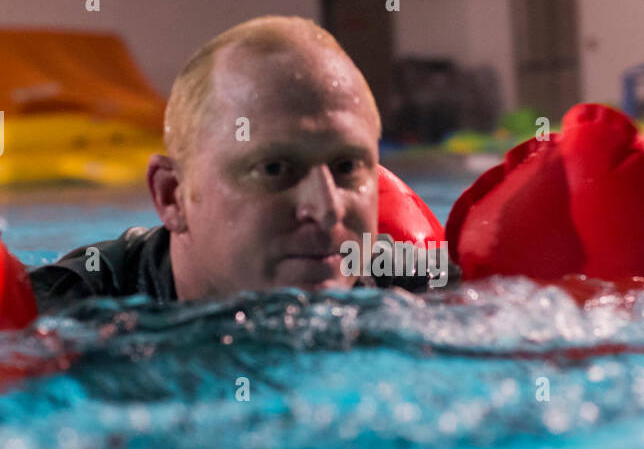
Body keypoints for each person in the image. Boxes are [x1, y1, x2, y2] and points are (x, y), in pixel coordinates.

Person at [29, 15, 409, 313]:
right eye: (275, 168)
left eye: (346, 166)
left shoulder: (409, 284)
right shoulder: (62, 311)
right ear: (172, 196)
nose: (327, 210)